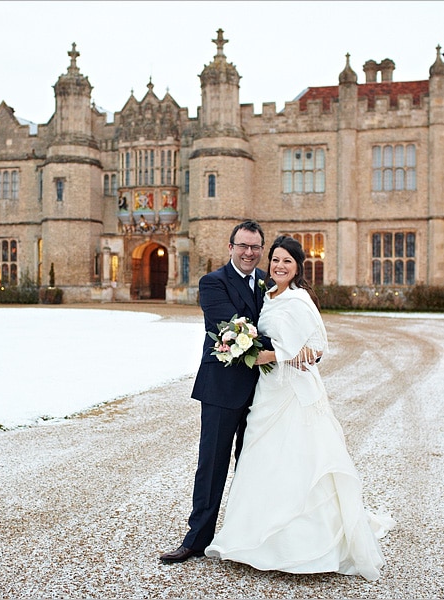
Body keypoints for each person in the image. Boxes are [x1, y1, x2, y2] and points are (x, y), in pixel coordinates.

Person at [203, 235, 395, 580]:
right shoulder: (266, 294)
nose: (278, 266)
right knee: (262, 458)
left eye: (286, 262)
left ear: (297, 267)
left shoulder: (298, 297)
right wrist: (256, 350)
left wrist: (272, 355)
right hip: (268, 390)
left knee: (297, 457)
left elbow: (318, 342)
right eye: (275, 260)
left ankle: (303, 544)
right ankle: (252, 538)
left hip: (292, 389)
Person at [160, 220, 271, 564]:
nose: (249, 253)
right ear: (230, 247)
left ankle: (249, 535)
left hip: (265, 389)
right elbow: (233, 328)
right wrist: (285, 348)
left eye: (255, 247)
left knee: (255, 465)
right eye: (243, 246)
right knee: (212, 466)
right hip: (222, 388)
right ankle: (196, 539)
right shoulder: (213, 283)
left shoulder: (268, 283)